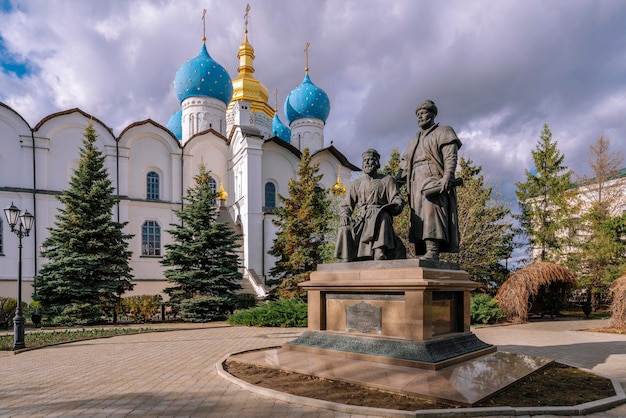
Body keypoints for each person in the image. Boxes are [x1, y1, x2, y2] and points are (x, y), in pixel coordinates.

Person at [398, 100, 462, 261]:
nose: (420, 116)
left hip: (434, 177)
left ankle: (433, 249)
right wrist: (393, 182)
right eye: (418, 114)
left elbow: (450, 156)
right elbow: (404, 166)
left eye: (424, 112)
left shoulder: (443, 131)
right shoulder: (414, 140)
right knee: (419, 215)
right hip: (415, 182)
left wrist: (447, 176)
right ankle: (426, 248)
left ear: (433, 114)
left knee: (432, 210)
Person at [335, 149, 406, 261]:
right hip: (361, 217)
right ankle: (347, 258)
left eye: (370, 160)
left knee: (384, 217)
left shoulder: (387, 180)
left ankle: (379, 250)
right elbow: (346, 205)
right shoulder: (357, 184)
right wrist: (344, 216)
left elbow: (396, 198)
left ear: (377, 163)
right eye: (364, 161)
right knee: (345, 227)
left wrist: (397, 205)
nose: (367, 163)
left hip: (379, 212)